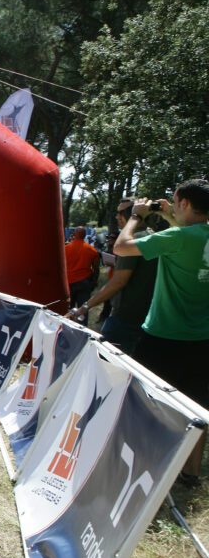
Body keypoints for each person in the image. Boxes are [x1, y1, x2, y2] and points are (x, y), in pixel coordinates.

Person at [114, 179, 209, 484]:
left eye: (175, 201)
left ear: (184, 203)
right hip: (202, 339)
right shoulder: (190, 235)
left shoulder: (177, 238)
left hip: (162, 336)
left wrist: (137, 216)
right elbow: (186, 237)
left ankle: (137, 464)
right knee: (198, 408)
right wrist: (170, 217)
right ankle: (190, 474)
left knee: (144, 402)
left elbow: (122, 247)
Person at [68, 200, 156, 354]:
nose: (116, 217)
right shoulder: (152, 236)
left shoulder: (132, 240)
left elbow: (118, 281)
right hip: (145, 316)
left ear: (133, 215)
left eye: (120, 213)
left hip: (125, 318)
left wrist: (85, 307)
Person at [64, 226, 101, 325]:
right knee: (84, 308)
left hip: (69, 282)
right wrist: (94, 281)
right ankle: (83, 328)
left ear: (74, 235)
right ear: (85, 235)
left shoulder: (66, 249)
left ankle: (67, 326)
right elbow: (96, 269)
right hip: (84, 283)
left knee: (68, 309)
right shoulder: (91, 249)